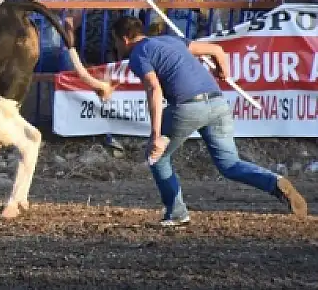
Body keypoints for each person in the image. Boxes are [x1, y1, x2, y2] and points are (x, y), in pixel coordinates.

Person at [111, 15, 307, 227]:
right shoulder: (170, 40)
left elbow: (153, 89)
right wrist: (223, 71)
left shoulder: (139, 54)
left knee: (157, 157)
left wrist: (156, 135)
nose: (115, 46)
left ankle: (177, 212)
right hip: (217, 103)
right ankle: (274, 182)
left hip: (187, 107)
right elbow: (217, 50)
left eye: (115, 41)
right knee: (230, 164)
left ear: (125, 38)